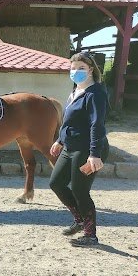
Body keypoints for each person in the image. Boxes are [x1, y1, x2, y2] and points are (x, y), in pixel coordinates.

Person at [49, 51, 109, 247]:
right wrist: (59, 140)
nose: (76, 72)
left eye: (81, 68)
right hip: (70, 146)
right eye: (73, 68)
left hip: (87, 149)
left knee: (79, 190)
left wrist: (94, 154)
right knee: (56, 183)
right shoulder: (75, 91)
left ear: (91, 70)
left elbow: (96, 125)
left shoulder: (96, 93)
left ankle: (90, 235)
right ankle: (79, 220)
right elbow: (69, 121)